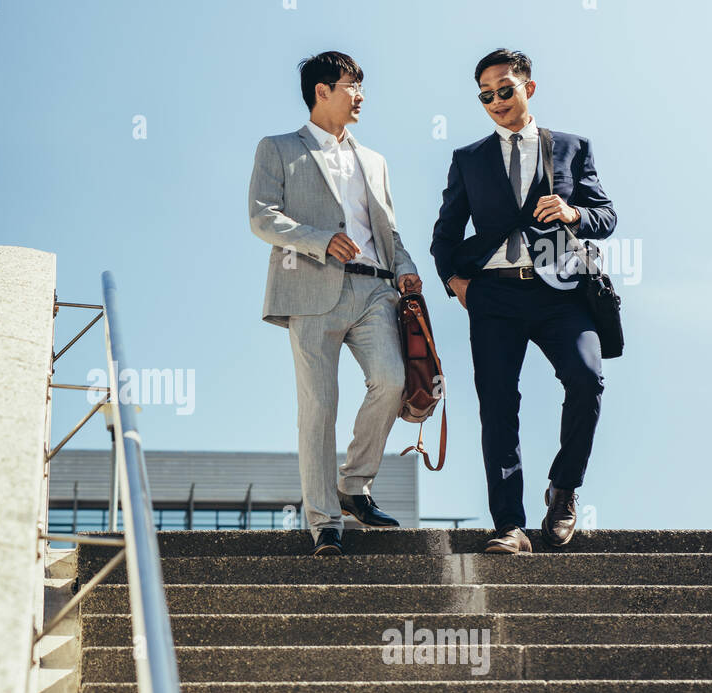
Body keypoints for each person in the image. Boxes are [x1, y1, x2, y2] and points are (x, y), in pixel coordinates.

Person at [430, 48, 617, 553]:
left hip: (561, 291)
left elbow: (606, 215)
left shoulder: (572, 147)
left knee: (587, 379)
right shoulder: (468, 159)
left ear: (528, 88)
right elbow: (444, 235)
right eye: (485, 95)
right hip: (493, 293)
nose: (495, 101)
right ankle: (509, 525)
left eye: (504, 90)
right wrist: (455, 282)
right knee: (497, 404)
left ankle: (563, 489)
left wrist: (574, 213)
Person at [249, 51, 421, 556]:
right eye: (352, 85)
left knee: (391, 381)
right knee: (319, 407)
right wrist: (318, 239)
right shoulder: (277, 148)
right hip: (309, 287)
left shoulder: (375, 160)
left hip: (374, 289)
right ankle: (324, 520)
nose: (360, 95)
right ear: (322, 91)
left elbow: (388, 229)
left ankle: (355, 485)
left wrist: (406, 267)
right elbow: (262, 218)